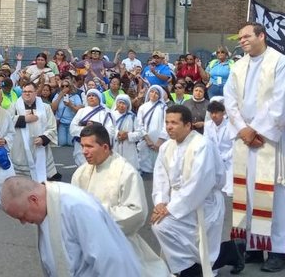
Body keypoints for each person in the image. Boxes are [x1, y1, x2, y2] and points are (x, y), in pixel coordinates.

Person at [224, 21, 285, 271]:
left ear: (262, 36)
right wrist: (243, 129)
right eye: (240, 38)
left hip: (269, 138)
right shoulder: (238, 66)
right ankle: (254, 246)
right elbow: (229, 100)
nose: (242, 41)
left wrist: (256, 130)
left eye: (247, 36)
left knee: (274, 195)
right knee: (248, 193)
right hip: (246, 138)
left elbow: (280, 100)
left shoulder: (279, 62)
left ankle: (278, 250)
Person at [71, 125, 170, 277]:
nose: (84, 151)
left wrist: (96, 215)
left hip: (118, 243)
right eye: (82, 146)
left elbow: (136, 212)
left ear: (105, 147)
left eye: (89, 146)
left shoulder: (126, 172)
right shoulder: (81, 173)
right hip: (87, 243)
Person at [0, 176, 142, 276]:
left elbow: (111, 261)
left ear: (34, 200)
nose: (23, 222)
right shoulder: (47, 207)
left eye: (22, 215)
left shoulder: (76, 206)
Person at [151, 105, 226, 277]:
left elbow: (199, 183)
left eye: (174, 123)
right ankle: (189, 268)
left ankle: (222, 256)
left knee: (203, 246)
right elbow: (161, 177)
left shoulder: (202, 145)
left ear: (188, 125)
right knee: (160, 226)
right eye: (167, 122)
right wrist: (161, 202)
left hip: (204, 202)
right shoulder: (166, 147)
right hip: (178, 202)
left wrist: (170, 209)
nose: (169, 127)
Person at [11, 82, 58, 182]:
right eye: (24, 92)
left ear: (35, 93)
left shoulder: (45, 107)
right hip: (21, 149)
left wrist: (43, 138)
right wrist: (24, 119)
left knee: (41, 179)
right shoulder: (14, 106)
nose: (27, 94)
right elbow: (8, 122)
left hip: (39, 147)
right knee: (23, 181)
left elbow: (52, 126)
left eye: (30, 91)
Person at [69, 89, 115, 166]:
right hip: (81, 144)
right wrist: (86, 129)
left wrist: (95, 130)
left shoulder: (105, 112)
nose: (91, 97)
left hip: (97, 144)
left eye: (94, 95)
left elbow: (110, 130)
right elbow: (72, 128)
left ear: (99, 98)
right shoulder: (81, 111)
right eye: (89, 96)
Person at [204, 98, 235, 196]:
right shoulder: (208, 125)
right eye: (212, 113)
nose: (214, 115)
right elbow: (206, 142)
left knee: (229, 191)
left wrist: (224, 157)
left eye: (216, 113)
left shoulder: (231, 125)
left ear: (223, 113)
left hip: (229, 160)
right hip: (214, 158)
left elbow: (235, 146)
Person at [137, 84, 168, 174]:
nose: (153, 94)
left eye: (156, 93)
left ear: (160, 95)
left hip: (159, 140)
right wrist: (147, 139)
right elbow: (139, 124)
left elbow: (166, 124)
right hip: (145, 139)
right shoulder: (142, 107)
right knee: (144, 162)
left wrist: (160, 140)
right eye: (152, 92)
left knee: (159, 164)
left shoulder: (164, 108)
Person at [111, 94, 142, 169]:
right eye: (120, 103)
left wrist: (128, 135)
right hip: (114, 147)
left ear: (128, 106)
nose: (121, 105)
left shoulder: (132, 117)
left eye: (124, 103)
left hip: (129, 148)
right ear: (116, 104)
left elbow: (139, 133)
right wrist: (117, 133)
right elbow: (107, 130)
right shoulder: (111, 115)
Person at [50, 77, 83, 147]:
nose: (64, 88)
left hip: (72, 123)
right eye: (62, 86)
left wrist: (70, 105)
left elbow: (79, 111)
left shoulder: (75, 96)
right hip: (61, 123)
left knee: (71, 143)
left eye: (67, 86)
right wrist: (60, 96)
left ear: (70, 87)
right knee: (62, 143)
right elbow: (53, 108)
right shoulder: (57, 95)